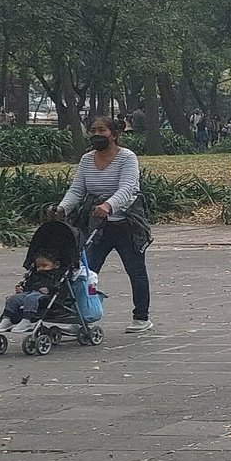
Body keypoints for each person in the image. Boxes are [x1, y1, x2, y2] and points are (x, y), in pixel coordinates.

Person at [58, 118, 154, 334]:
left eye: (102, 130)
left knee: (135, 270)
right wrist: (62, 209)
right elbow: (77, 190)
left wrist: (109, 205)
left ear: (114, 134)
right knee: (85, 270)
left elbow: (128, 188)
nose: (96, 134)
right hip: (98, 226)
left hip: (126, 222)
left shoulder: (127, 158)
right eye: (93, 130)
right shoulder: (86, 160)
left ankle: (141, 317)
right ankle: (82, 315)